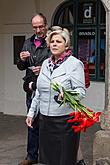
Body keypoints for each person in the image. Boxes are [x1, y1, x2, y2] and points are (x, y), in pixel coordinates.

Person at [26, 26, 86, 165]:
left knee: (64, 160)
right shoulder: (46, 63)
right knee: (48, 160)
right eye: (52, 41)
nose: (54, 44)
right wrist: (31, 113)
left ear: (66, 45)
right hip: (45, 121)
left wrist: (67, 95)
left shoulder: (74, 64)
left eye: (58, 41)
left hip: (65, 121)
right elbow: (39, 92)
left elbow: (81, 91)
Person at [17, 13, 51, 165]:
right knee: (32, 122)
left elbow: (57, 60)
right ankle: (31, 156)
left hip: (48, 87)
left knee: (48, 123)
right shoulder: (27, 42)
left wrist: (43, 69)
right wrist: (22, 59)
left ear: (46, 25)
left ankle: (47, 156)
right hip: (31, 87)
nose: (38, 30)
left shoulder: (52, 41)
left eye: (41, 26)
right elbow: (20, 67)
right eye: (35, 27)